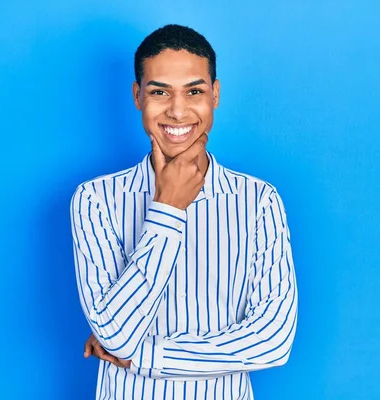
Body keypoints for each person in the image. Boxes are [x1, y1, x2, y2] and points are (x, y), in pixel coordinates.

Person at [70, 24, 298, 400]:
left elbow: (272, 342)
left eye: (194, 91)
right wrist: (168, 207)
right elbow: (114, 334)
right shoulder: (95, 199)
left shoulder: (259, 201)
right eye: (159, 92)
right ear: (137, 96)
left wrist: (145, 355)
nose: (177, 111)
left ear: (216, 95)